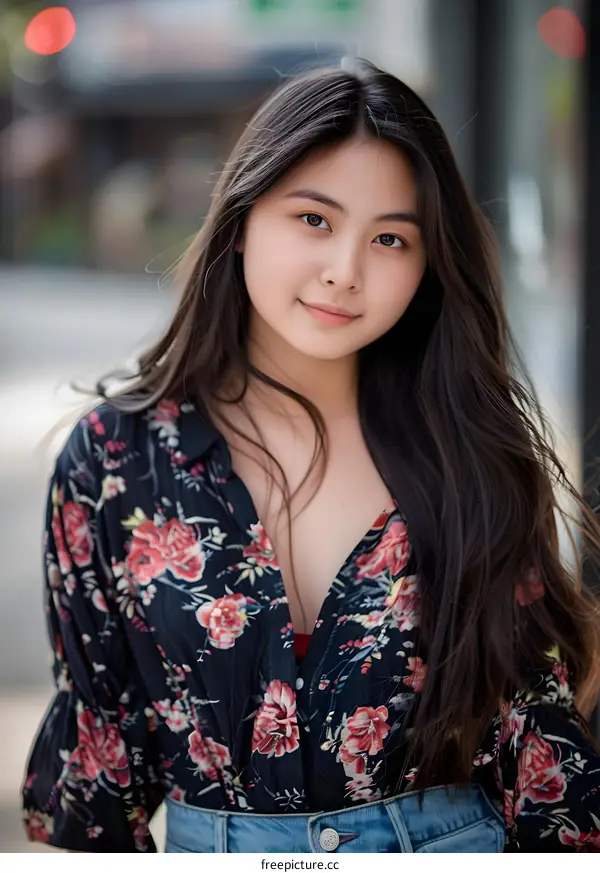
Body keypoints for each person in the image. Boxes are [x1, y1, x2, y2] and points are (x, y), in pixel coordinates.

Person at [22, 58, 600, 854]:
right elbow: (97, 780)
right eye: (315, 220)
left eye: (390, 238)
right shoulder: (116, 464)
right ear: (243, 217)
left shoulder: (470, 451)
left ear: (427, 265)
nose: (346, 272)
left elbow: (544, 767)